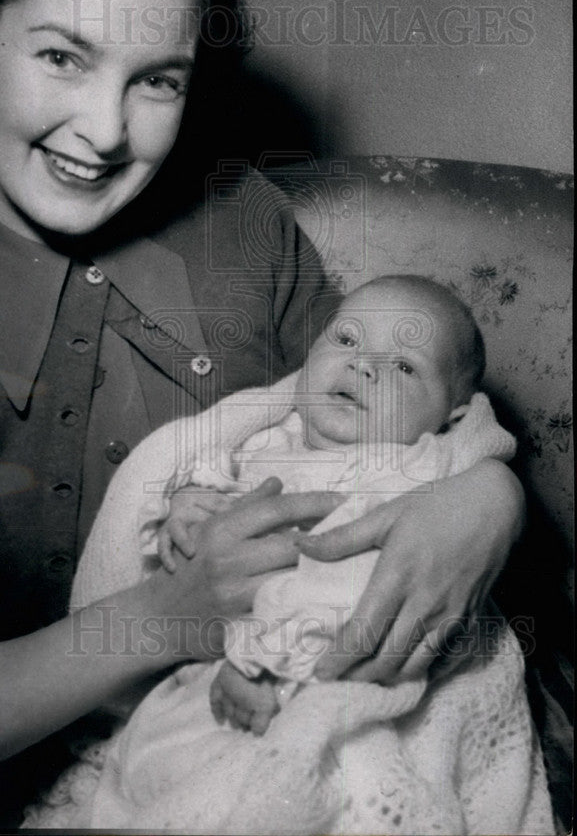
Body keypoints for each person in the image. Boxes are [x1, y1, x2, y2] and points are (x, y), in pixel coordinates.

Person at [0, 0, 523, 827]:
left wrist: (488, 496)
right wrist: (167, 612)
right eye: (61, 56)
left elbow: (394, 395)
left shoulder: (242, 219)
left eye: (157, 79)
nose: (105, 130)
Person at [52, 275, 552, 833]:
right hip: (218, 669)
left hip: (339, 666)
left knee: (335, 784)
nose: (363, 366)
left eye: (405, 367)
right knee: (168, 765)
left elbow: (367, 583)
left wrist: (269, 661)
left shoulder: (418, 472)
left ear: (453, 419)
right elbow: (187, 503)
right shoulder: (259, 443)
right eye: (346, 340)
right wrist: (185, 511)